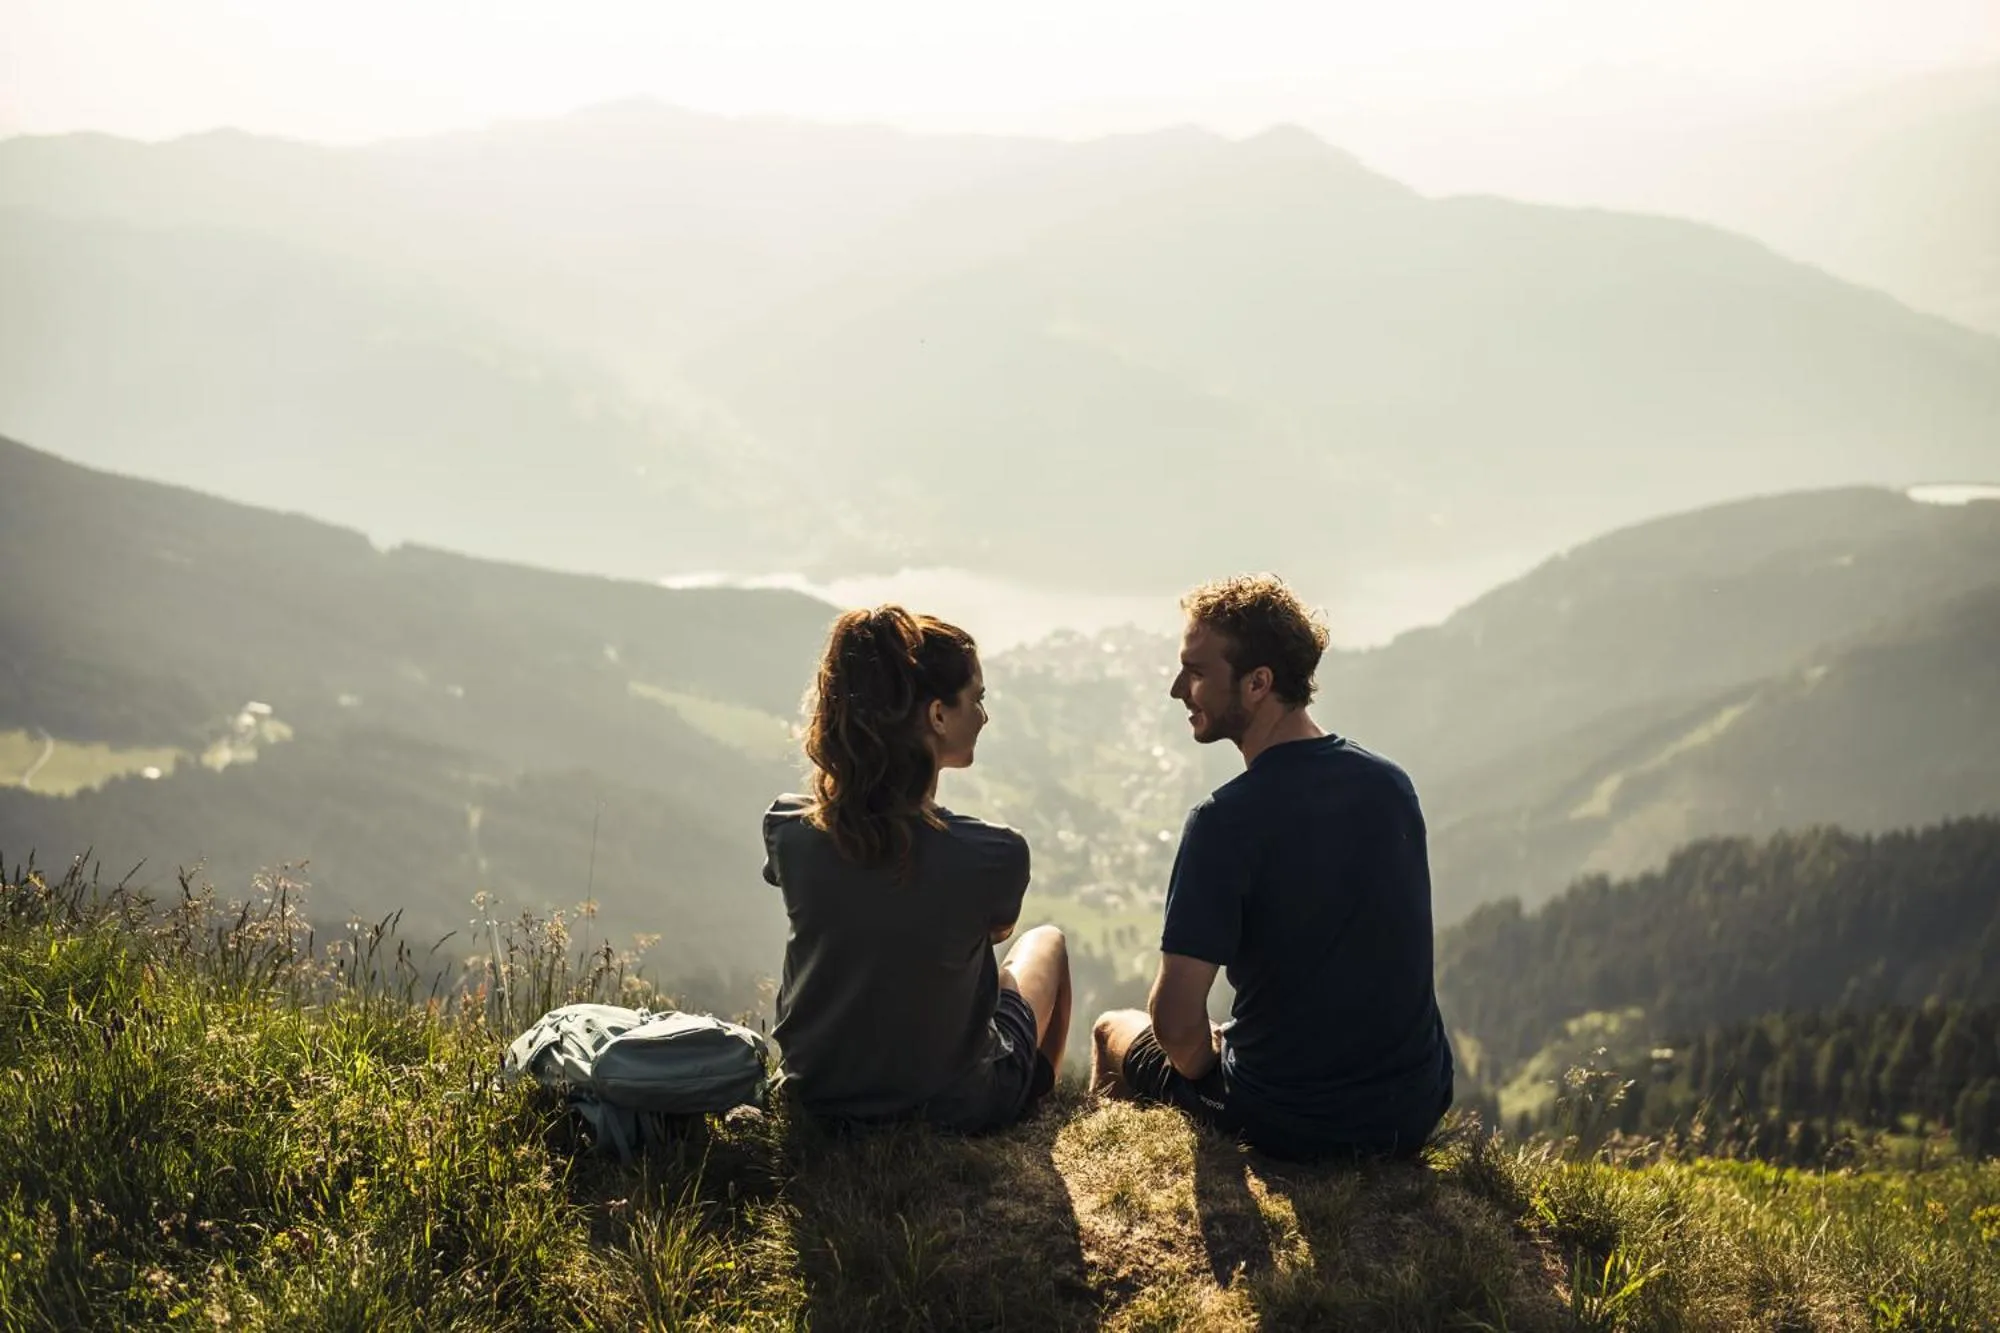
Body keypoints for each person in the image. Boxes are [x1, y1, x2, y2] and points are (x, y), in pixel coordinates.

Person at [1089, 574, 1453, 1159]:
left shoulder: (1224, 822)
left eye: (1196, 672)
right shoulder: (1391, 785)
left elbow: (1175, 1024)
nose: (1178, 689)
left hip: (1289, 1119)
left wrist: (1209, 1063)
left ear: (1258, 683)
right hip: (1412, 1108)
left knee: (1112, 1029)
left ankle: (1116, 1176)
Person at [761, 605, 1071, 1132]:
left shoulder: (789, 829)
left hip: (815, 1094)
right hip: (953, 1105)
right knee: (1048, 942)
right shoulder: (994, 853)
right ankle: (1035, 1108)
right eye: (977, 698)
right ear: (937, 716)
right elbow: (996, 932)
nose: (984, 716)